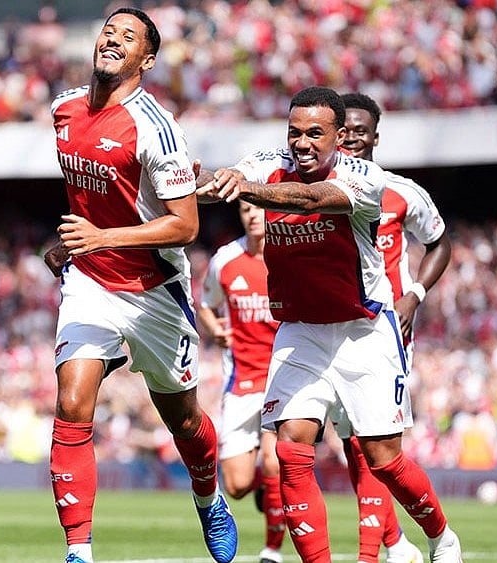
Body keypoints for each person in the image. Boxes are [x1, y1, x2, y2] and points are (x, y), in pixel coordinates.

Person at [198, 86, 462, 563]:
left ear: (340, 137)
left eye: (315, 134)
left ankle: (441, 537)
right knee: (291, 449)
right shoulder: (269, 161)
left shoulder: (365, 177)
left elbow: (308, 199)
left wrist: (244, 187)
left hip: (364, 331)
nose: (302, 143)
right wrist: (219, 177)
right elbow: (243, 171)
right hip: (300, 330)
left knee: (384, 459)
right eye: (295, 132)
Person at [44, 8, 236, 563]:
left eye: (128, 37)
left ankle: (208, 499)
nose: (113, 39)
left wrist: (102, 235)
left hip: (156, 289)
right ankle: (78, 551)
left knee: (183, 419)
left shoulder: (155, 125)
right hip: (91, 281)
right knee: (72, 400)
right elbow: (94, 194)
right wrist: (77, 246)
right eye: (109, 30)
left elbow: (186, 224)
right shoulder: (63, 109)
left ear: (146, 60)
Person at [336, 92, 452, 563]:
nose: (352, 138)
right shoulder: (314, 187)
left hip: (383, 330)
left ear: (375, 137)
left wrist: (414, 295)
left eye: (360, 130)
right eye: (344, 130)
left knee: (374, 444)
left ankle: (384, 551)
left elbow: (440, 243)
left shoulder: (401, 192)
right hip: (328, 328)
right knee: (351, 445)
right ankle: (395, 543)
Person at [198, 200, 286, 563]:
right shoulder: (225, 260)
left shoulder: (289, 255)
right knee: (234, 485)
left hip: (282, 377)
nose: (252, 215)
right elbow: (205, 303)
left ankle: (272, 551)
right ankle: (268, 489)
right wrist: (214, 328)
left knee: (274, 460)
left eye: (258, 209)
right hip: (240, 381)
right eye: (245, 209)